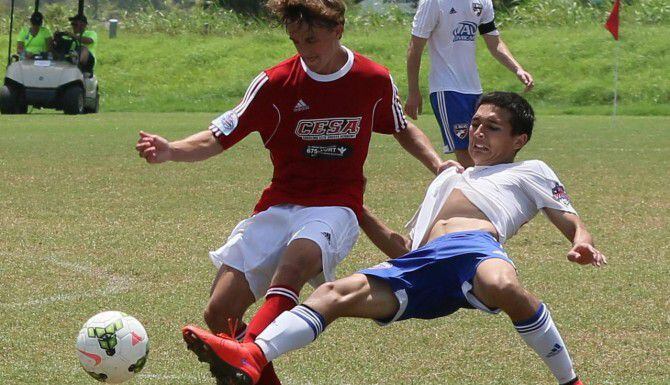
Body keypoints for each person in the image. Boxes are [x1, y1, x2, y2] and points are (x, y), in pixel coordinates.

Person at [183, 92, 607, 385]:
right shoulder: (446, 180)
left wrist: (582, 241)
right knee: (332, 294)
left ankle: (570, 379)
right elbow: (406, 248)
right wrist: (353, 204)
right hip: (421, 267)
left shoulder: (530, 169)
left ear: (519, 139)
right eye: (475, 124)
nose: (477, 133)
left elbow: (572, 221)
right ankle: (252, 356)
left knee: (501, 284)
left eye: (492, 128)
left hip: (475, 250)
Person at [136, 1, 449, 383]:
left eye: (312, 38)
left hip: (336, 206)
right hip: (280, 204)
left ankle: (246, 351)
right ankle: (248, 360)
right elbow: (219, 137)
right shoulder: (274, 83)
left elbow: (401, 127)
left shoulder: (373, 78)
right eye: (296, 40)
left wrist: (437, 163)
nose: (305, 49)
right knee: (220, 313)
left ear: (338, 30)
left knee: (296, 261)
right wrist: (171, 150)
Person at [404, 0, 534, 168]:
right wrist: (413, 91)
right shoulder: (433, 2)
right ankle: (476, 191)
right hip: (447, 88)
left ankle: (486, 189)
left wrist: (518, 69)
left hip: (474, 89)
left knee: (484, 146)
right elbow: (415, 47)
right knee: (466, 149)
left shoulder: (482, 1)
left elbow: (494, 42)